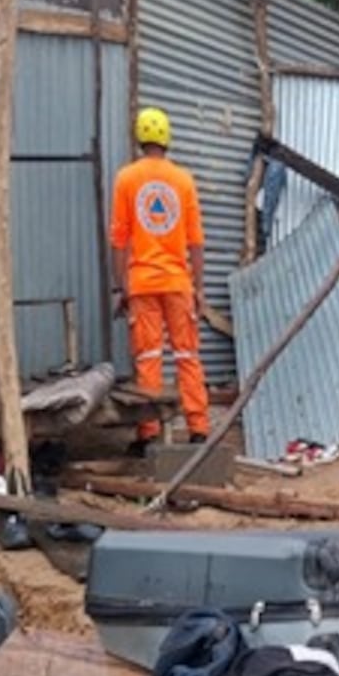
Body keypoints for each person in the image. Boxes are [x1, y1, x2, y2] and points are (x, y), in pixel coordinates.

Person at [110, 107, 210, 455]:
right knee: (187, 355)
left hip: (142, 284)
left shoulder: (126, 179)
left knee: (148, 358)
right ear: (167, 138)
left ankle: (148, 434)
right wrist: (198, 287)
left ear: (140, 138)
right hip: (178, 283)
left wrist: (119, 286)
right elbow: (196, 240)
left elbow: (119, 239)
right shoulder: (184, 181)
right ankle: (199, 430)